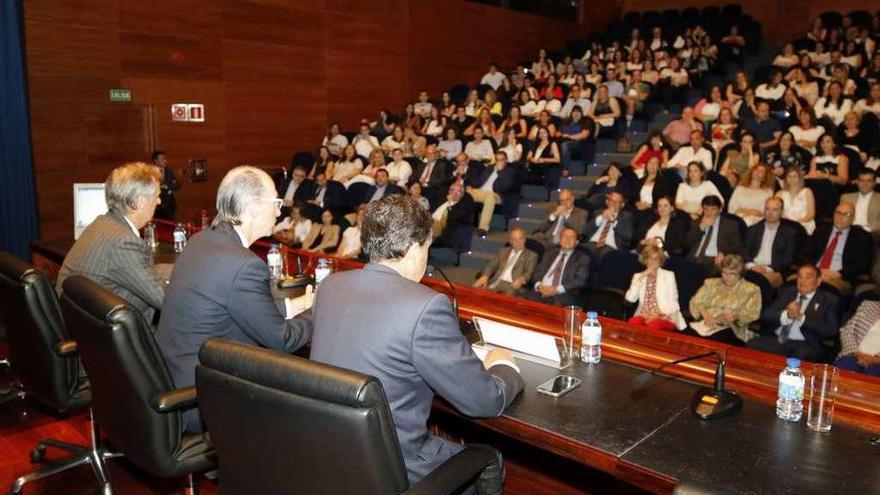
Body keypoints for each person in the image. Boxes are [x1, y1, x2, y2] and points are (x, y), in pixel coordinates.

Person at [309, 194, 524, 486]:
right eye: (427, 248)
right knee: (490, 460)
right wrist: (504, 367)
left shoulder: (330, 286)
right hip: (394, 463)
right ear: (413, 249)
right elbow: (484, 401)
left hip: (330, 450)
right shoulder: (426, 306)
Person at [158, 166, 314, 433]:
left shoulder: (202, 240)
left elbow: (235, 304)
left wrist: (295, 305)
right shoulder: (244, 265)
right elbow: (282, 339)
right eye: (276, 203)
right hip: (201, 397)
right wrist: (319, 309)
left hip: (172, 375)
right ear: (253, 207)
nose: (279, 211)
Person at [57, 162, 166, 323]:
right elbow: (164, 299)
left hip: (81, 320)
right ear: (138, 202)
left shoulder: (102, 224)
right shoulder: (123, 242)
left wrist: (176, 270)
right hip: (105, 334)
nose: (159, 202)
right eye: (156, 195)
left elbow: (139, 271)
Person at [749, 265, 840, 362]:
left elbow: (831, 330)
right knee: (752, 345)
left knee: (800, 357)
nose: (802, 281)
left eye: (808, 277)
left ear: (818, 281)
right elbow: (766, 315)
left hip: (805, 344)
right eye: (800, 277)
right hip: (777, 339)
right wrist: (787, 315)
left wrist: (801, 318)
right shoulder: (787, 292)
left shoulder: (829, 300)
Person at [684, 254, 762, 345]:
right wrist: (705, 314)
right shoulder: (711, 283)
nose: (727, 277)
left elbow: (753, 313)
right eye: (724, 273)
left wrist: (736, 316)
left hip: (732, 329)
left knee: (714, 340)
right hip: (704, 324)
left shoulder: (751, 289)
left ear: (740, 274)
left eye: (732, 274)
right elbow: (696, 301)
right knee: (685, 333)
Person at [809, 201, 874, 293]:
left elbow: (862, 264)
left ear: (853, 219)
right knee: (791, 284)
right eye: (838, 212)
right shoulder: (820, 231)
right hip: (813, 272)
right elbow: (803, 254)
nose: (840, 217)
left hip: (839, 277)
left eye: (846, 214)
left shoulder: (862, 237)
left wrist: (839, 273)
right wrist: (813, 270)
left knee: (827, 291)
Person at [626, 244, 686, 332]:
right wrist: (642, 277)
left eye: (656, 258)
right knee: (633, 323)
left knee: (653, 326)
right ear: (645, 260)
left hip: (665, 316)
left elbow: (674, 304)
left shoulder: (668, 275)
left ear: (660, 260)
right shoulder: (638, 276)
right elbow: (630, 299)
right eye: (650, 258)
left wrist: (658, 315)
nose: (653, 261)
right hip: (643, 315)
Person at [525, 227, 590, 307]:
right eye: (564, 236)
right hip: (542, 288)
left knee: (556, 304)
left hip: (563, 293)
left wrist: (556, 289)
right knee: (525, 300)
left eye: (571, 237)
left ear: (576, 242)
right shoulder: (549, 253)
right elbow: (537, 273)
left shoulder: (582, 258)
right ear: (559, 240)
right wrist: (539, 286)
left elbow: (580, 280)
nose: (567, 239)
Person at [744, 197, 801, 287]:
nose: (770, 213)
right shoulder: (753, 229)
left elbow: (788, 259)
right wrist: (752, 266)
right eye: (767, 208)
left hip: (774, 270)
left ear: (782, 212)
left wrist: (766, 268)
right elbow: (744, 250)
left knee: (760, 283)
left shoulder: (789, 233)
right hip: (752, 267)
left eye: (775, 210)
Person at [473, 227, 539, 296]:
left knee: (503, 299)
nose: (518, 242)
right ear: (510, 241)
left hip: (512, 285)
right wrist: (485, 276)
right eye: (514, 240)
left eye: (520, 239)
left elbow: (528, 273)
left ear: (525, 239)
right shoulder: (503, 251)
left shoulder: (531, 255)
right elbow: (491, 266)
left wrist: (521, 279)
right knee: (474, 290)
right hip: (496, 281)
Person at [685, 195, 744, 270]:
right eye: (706, 209)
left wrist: (724, 253)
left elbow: (736, 245)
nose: (709, 213)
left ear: (720, 209)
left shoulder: (730, 224)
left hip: (715, 259)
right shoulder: (696, 223)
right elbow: (686, 244)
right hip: (695, 258)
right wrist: (701, 228)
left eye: (713, 209)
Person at [467, 152, 518, 237]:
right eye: (497, 160)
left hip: (496, 194)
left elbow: (503, 187)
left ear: (506, 160)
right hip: (481, 192)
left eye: (501, 160)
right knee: (463, 192)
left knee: (490, 196)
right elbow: (479, 180)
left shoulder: (510, 172)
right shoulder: (490, 168)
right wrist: (471, 187)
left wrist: (500, 172)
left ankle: (483, 228)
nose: (499, 162)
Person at [582, 192, 634, 261]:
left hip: (610, 247)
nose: (613, 203)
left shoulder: (626, 216)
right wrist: (601, 217)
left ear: (622, 205)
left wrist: (614, 220)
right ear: (607, 202)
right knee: (580, 251)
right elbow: (585, 231)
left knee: (603, 255)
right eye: (611, 200)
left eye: (617, 202)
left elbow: (628, 235)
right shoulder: (597, 212)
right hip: (592, 243)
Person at [836, 300, 880, 376]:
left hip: (877, 362)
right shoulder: (868, 306)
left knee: (872, 373)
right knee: (846, 365)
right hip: (853, 355)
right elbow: (847, 330)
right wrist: (856, 353)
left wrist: (875, 360)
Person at [776, 167, 816, 234]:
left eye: (795, 176)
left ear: (799, 178)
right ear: (786, 178)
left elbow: (811, 214)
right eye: (789, 176)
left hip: (803, 223)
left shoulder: (807, 192)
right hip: (785, 223)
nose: (792, 179)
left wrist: (796, 222)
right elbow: (776, 212)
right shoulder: (779, 194)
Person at [841, 169, 880, 235]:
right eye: (862, 180)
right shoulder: (846, 198)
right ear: (857, 182)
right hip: (848, 231)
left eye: (869, 181)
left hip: (870, 232)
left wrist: (865, 229)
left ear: (874, 183)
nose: (865, 184)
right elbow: (841, 217)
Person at [151, 150, 179, 220]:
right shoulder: (150, 173)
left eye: (165, 158)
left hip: (169, 206)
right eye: (162, 159)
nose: (165, 161)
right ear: (156, 161)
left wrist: (167, 186)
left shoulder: (169, 171)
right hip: (157, 207)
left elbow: (177, 185)